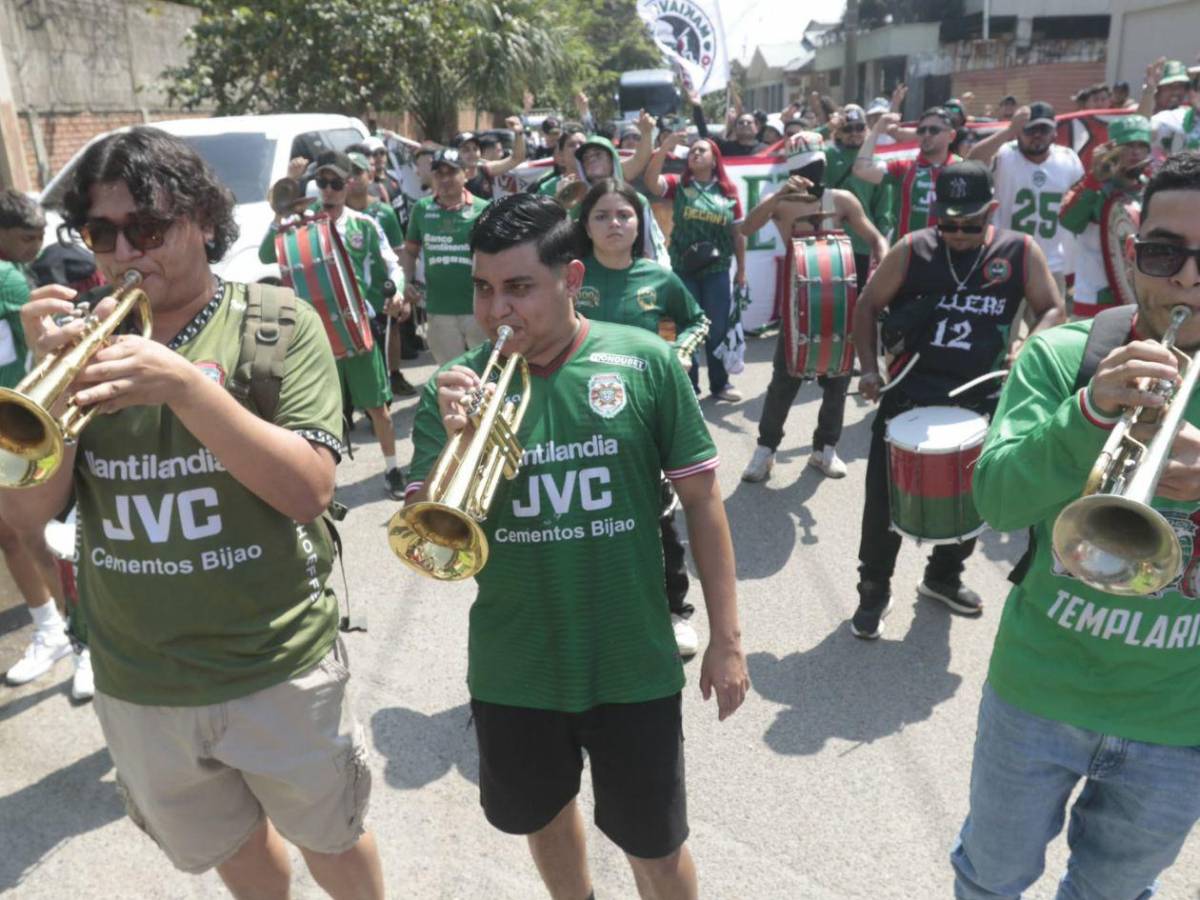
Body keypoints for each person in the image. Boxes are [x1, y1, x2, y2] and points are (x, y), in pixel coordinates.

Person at [0, 126, 384, 897]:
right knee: (234, 850)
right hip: (140, 677)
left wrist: (186, 387)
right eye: (99, 232)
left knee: (331, 839)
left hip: (273, 664)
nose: (119, 252)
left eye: (144, 227)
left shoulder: (276, 323)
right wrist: (48, 380)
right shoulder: (81, 343)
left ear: (203, 220)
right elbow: (32, 516)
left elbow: (309, 489)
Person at [405, 193, 747, 899]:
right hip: (515, 666)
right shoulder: (456, 390)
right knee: (544, 814)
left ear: (570, 279)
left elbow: (704, 504)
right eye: (484, 289)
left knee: (656, 845)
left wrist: (728, 639)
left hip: (632, 662)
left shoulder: (646, 363)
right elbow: (433, 537)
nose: (497, 311)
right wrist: (455, 440)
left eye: (519, 288)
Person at [950, 149, 1200, 900]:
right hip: (1037, 695)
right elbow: (994, 501)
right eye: (1165, 253)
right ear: (1132, 254)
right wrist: (1088, 414)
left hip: (1178, 720)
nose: (1188, 277)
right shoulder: (1065, 355)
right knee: (990, 881)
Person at [850, 161, 1065, 638]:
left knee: (973, 500)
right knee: (883, 503)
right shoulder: (913, 250)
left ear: (991, 209)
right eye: (949, 223)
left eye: (970, 223)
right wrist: (868, 368)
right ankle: (873, 589)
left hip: (982, 395)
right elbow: (867, 305)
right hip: (910, 392)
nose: (959, 233)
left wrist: (1028, 343)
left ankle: (943, 576)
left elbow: (1051, 307)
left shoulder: (1018, 250)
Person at [574, 178, 710, 658]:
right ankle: (594, 612)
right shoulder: (570, 278)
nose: (614, 224)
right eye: (602, 216)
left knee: (658, 516)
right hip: (578, 418)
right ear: (585, 225)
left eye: (624, 215)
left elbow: (696, 320)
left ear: (640, 223)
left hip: (646, 418)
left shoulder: (659, 278)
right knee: (588, 516)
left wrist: (678, 353)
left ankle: (675, 610)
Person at [739, 134, 889, 484]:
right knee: (784, 380)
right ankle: (766, 449)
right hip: (798, 300)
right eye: (802, 168)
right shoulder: (779, 202)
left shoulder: (842, 199)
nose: (810, 173)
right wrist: (778, 195)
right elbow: (746, 228)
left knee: (837, 380)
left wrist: (881, 253)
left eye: (815, 166)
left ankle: (825, 449)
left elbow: (875, 237)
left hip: (839, 301)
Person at [260, 150, 408, 498]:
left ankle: (392, 469)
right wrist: (283, 205)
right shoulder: (301, 222)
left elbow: (394, 266)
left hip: (356, 328)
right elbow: (267, 254)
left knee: (378, 410)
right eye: (322, 183)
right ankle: (324, 480)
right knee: (319, 413)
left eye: (335, 183)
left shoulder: (364, 224)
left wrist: (397, 292)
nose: (328, 190)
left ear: (349, 184)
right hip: (314, 335)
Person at [0, 191, 83, 697]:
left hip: (17, 424)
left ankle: (83, 639)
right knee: (10, 537)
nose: (36, 248)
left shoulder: (9, 277)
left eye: (39, 237)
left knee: (36, 535)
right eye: (27, 238)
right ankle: (51, 630)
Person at [643, 131, 745, 401]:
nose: (695, 154)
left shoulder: (728, 192)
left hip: (717, 270)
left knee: (717, 328)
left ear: (714, 160)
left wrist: (742, 271)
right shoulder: (679, 186)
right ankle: (689, 386)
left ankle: (720, 384)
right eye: (692, 152)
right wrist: (664, 147)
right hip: (684, 269)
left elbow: (738, 235)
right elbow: (651, 182)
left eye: (701, 151)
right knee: (686, 326)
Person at [969, 102, 1085, 299]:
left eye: (1043, 129)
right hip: (1005, 258)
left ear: (1054, 133)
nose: (1037, 135)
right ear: (1019, 132)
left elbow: (1079, 203)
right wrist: (1008, 131)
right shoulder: (1005, 153)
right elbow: (972, 161)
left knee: (1051, 327)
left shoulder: (1068, 159)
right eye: (1030, 129)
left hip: (1051, 262)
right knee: (1003, 328)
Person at [401, 148, 491, 365]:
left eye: (451, 172)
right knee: (452, 374)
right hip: (439, 310)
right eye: (439, 173)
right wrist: (405, 282)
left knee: (486, 372)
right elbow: (410, 251)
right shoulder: (422, 209)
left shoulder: (483, 209)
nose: (445, 179)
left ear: (466, 174)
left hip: (478, 308)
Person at [1059, 115, 1152, 318]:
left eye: (1141, 145)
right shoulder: (1093, 187)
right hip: (1095, 301)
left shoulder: (1153, 188)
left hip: (1142, 300)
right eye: (1128, 145)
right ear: (1112, 149)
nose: (1135, 152)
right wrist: (1094, 180)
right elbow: (1069, 221)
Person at [346, 152, 418, 397]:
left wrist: (403, 289)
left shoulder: (384, 212)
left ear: (371, 175)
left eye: (358, 172)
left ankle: (394, 375)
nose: (352, 178)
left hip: (382, 287)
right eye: (348, 172)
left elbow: (398, 252)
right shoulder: (334, 212)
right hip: (351, 292)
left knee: (391, 331)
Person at [854, 106, 962, 238]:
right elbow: (861, 170)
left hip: (949, 253)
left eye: (934, 130)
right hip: (907, 253)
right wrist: (876, 130)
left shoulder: (962, 169)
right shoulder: (904, 166)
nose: (926, 134)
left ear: (951, 136)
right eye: (921, 130)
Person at [453, 119, 527, 201]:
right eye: (466, 150)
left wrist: (519, 133)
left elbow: (516, 158)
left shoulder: (486, 169)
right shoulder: (448, 176)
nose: (472, 153)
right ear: (456, 154)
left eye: (475, 149)